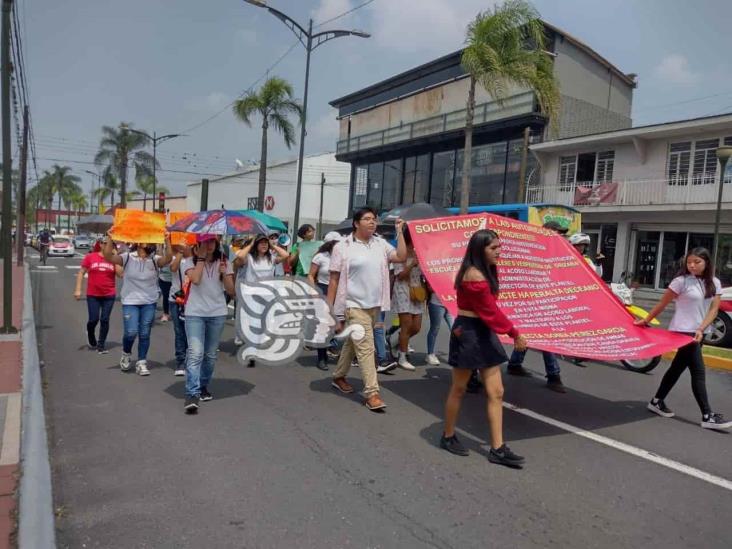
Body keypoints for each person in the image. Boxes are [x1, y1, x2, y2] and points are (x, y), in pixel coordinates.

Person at [440, 229, 527, 467]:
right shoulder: (474, 276)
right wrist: (514, 332)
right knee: (459, 388)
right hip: (469, 332)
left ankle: (497, 448)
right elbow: (490, 311)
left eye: (499, 247)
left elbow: (490, 311)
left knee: (496, 391)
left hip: (481, 331)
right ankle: (448, 436)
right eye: (493, 248)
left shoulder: (483, 271)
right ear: (480, 250)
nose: (499, 252)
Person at [636, 247, 731, 430]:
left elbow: (713, 310)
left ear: (706, 263)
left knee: (677, 368)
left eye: (697, 262)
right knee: (698, 372)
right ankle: (707, 415)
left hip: (698, 332)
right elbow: (662, 304)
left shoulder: (714, 283)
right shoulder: (681, 281)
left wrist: (702, 328)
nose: (692, 266)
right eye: (689, 262)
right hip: (683, 331)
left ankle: (656, 401)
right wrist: (646, 320)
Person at [327, 207, 407, 412]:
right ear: (356, 223)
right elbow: (334, 279)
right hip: (353, 305)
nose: (373, 222)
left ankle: (338, 376)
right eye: (367, 219)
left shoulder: (380, 244)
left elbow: (400, 257)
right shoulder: (342, 247)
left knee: (352, 345)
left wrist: (400, 232)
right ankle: (372, 393)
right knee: (366, 348)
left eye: (375, 219)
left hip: (374, 306)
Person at [506, 220, 566, 392]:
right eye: (557, 232)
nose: (559, 236)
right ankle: (554, 375)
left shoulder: (558, 251)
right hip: (533, 299)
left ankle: (515, 363)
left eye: (561, 233)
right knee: (546, 337)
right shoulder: (534, 250)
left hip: (547, 299)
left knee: (531, 334)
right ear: (546, 232)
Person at [103, 234, 173, 375]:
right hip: (130, 301)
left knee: (145, 333)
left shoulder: (154, 259)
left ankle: (141, 362)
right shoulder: (127, 257)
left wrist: (167, 240)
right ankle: (126, 353)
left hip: (149, 302)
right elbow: (108, 257)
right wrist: (110, 238)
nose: (146, 241)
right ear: (137, 242)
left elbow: (168, 259)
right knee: (131, 332)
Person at [181, 234, 236, 414]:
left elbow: (231, 291)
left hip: (217, 313)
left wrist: (224, 274)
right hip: (194, 313)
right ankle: (192, 393)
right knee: (195, 353)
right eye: (205, 241)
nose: (209, 245)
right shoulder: (188, 261)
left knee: (210, 355)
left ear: (217, 242)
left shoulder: (224, 262)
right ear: (198, 244)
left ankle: (203, 385)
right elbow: (195, 280)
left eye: (212, 241)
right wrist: (202, 259)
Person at [233, 233, 289, 365]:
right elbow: (239, 256)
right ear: (256, 245)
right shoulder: (250, 258)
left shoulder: (272, 258)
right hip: (251, 296)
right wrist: (251, 243)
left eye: (266, 242)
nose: (264, 244)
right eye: (261, 242)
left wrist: (273, 245)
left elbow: (286, 255)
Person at [73, 237, 123, 354]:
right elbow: (81, 272)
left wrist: (115, 258)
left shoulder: (114, 259)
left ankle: (101, 345)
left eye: (110, 244)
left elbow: (120, 274)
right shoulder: (91, 257)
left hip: (109, 294)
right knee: (93, 319)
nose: (107, 245)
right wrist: (78, 289)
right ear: (100, 244)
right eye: (104, 243)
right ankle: (90, 334)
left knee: (105, 319)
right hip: (93, 295)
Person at [308, 231, 342, 371]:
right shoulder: (320, 257)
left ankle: (334, 346)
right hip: (323, 289)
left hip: (341, 291)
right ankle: (322, 358)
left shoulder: (344, 257)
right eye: (335, 243)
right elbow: (311, 275)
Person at [391, 229, 424, 371]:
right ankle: (402, 357)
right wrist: (412, 264)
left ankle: (396, 341)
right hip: (403, 290)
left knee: (416, 327)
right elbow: (400, 276)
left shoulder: (420, 251)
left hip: (417, 292)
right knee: (406, 324)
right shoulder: (400, 253)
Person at [169, 243, 193, 377]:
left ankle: (192, 359)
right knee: (179, 332)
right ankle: (180, 362)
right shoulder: (177, 258)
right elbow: (172, 268)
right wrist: (180, 253)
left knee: (191, 331)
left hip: (193, 300)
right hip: (176, 300)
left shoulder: (196, 259)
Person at [425, 281, 453, 366]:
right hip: (436, 303)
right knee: (435, 328)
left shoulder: (453, 269)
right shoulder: (434, 269)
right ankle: (430, 354)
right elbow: (430, 288)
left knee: (455, 330)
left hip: (450, 302)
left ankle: (454, 355)